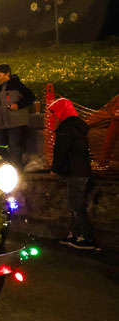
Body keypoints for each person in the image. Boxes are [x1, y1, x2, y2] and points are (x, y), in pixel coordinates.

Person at [49, 98, 97, 250]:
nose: (55, 116)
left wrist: (55, 169)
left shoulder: (66, 128)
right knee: (76, 204)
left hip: (75, 171)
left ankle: (88, 238)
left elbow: (60, 151)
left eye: (55, 112)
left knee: (77, 206)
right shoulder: (78, 127)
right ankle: (75, 234)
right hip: (82, 170)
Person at [0, 64, 35, 166]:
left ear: (7, 74)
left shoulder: (18, 86)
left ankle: (17, 168)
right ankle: (3, 165)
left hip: (15, 121)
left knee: (14, 146)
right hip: (1, 122)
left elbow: (31, 97)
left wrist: (18, 105)